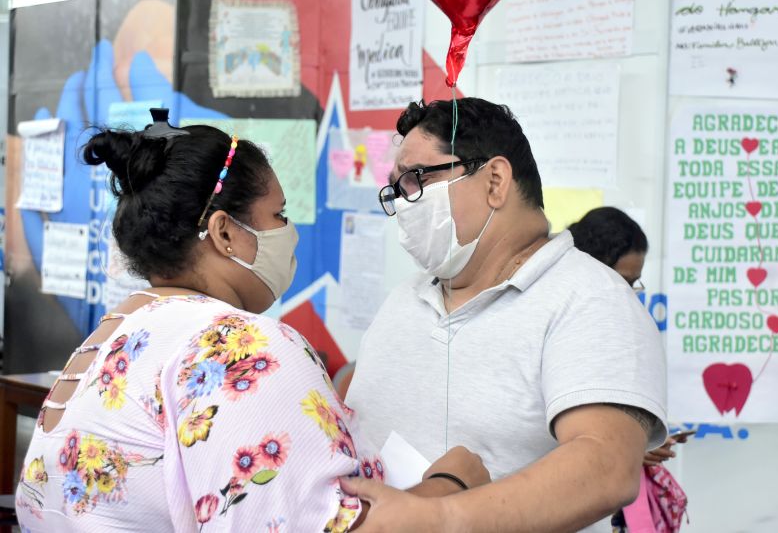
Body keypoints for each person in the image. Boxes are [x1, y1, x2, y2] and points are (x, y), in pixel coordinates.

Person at [15, 111, 488, 532]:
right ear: (223, 232)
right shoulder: (238, 346)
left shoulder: (114, 333)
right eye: (278, 214)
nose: (290, 233)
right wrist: (448, 488)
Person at [344, 98, 668, 532]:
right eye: (395, 190)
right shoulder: (404, 299)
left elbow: (606, 465)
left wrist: (439, 517)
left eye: (416, 180)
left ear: (495, 180)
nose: (404, 204)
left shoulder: (591, 300)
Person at [568, 207, 689, 532]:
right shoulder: (559, 328)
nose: (628, 296)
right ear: (590, 267)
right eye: (621, 282)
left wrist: (643, 441)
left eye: (634, 284)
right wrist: (628, 449)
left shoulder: (617, 327)